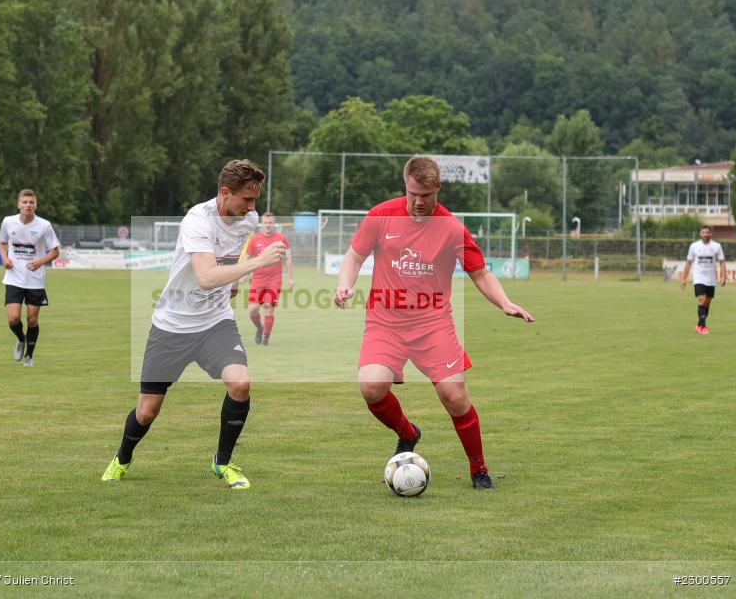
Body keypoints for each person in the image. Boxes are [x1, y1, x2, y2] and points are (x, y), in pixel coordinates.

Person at [334, 156, 534, 491]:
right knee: (371, 386)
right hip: (386, 321)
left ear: (437, 188)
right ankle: (407, 433)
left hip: (432, 322)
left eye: (425, 194)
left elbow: (480, 273)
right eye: (412, 193)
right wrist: (345, 283)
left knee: (453, 394)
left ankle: (479, 469)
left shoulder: (452, 227)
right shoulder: (381, 215)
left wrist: (505, 303)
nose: (417, 201)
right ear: (405, 186)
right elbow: (354, 256)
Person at [101, 159, 286, 489]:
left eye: (256, 200)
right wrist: (257, 263)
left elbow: (230, 258)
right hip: (172, 326)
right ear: (225, 192)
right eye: (247, 199)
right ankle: (122, 458)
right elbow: (204, 277)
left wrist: (236, 279)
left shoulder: (249, 219)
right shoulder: (197, 220)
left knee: (240, 383)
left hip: (215, 323)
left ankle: (223, 462)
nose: (253, 207)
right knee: (147, 411)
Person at [0, 189, 60, 367]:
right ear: (19, 204)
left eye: (31, 202)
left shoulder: (44, 226)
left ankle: (29, 357)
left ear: (35, 205)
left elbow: (55, 251)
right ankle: (20, 338)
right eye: (25, 202)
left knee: (32, 320)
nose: (28, 205)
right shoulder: (8, 222)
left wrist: (41, 261)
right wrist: (4, 258)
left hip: (35, 280)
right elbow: (2, 243)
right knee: (13, 318)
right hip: (13, 278)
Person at [245, 212, 293, 345]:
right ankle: (260, 328)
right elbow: (247, 258)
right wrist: (246, 273)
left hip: (274, 278)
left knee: (269, 307)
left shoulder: (281, 239)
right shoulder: (254, 239)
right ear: (262, 223)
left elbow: (288, 258)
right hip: (258, 278)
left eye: (270, 222)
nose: (268, 225)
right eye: (265, 223)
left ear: (274, 223)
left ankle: (266, 338)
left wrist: (290, 278)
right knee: (253, 309)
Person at [680, 224, 726, 334]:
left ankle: (699, 324)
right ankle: (703, 327)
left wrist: (723, 277)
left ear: (710, 233)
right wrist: (683, 278)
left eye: (707, 232)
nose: (705, 234)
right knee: (702, 300)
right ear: (700, 234)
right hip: (699, 277)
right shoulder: (694, 246)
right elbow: (688, 263)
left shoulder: (717, 246)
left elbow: (722, 262)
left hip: (711, 279)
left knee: (707, 303)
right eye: (703, 232)